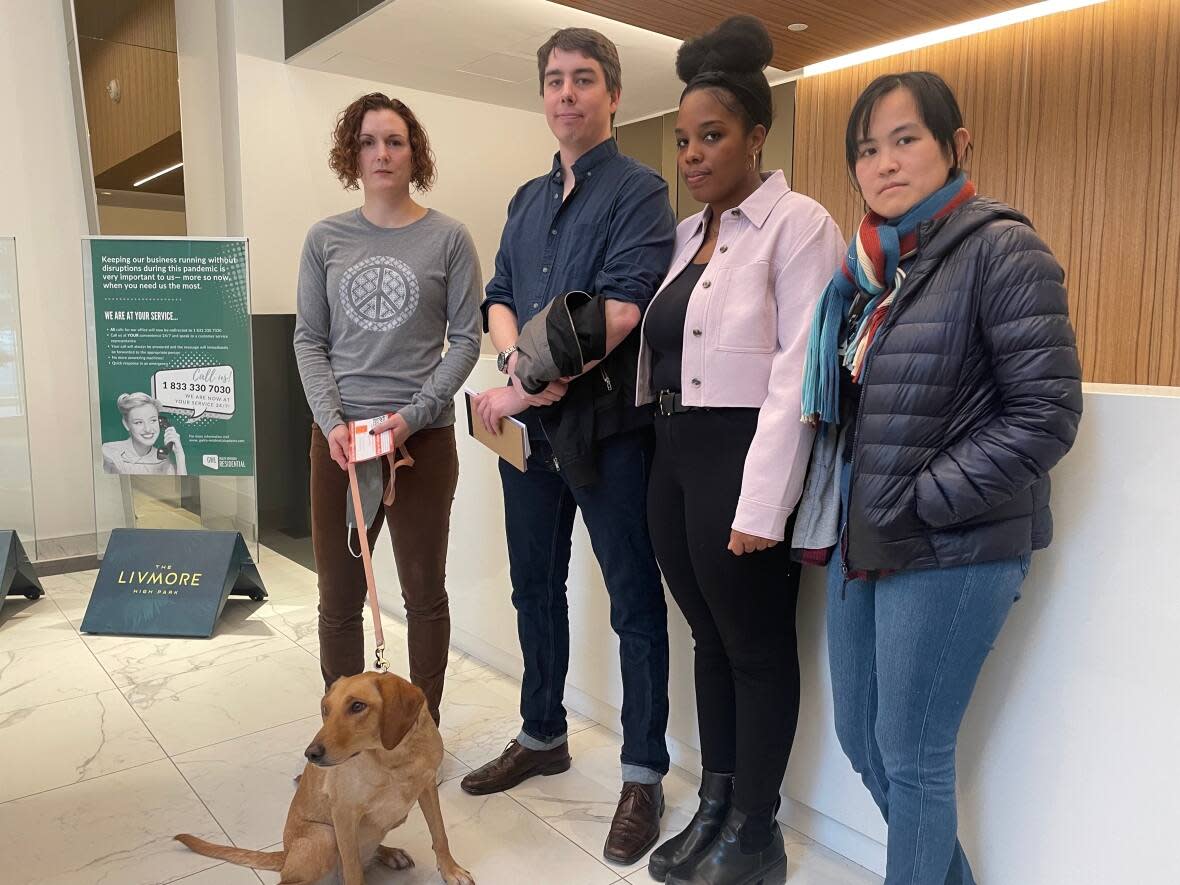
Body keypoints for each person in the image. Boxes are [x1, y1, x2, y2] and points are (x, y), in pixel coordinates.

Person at [794, 71, 1082, 885]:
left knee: (913, 754)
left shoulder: (1002, 248)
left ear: (956, 146)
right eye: (866, 150)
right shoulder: (874, 275)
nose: (883, 164)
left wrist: (928, 499)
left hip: (953, 544)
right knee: (860, 735)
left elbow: (1047, 413)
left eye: (905, 139)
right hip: (868, 534)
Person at [635, 17, 844, 885]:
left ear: (758, 135)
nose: (691, 154)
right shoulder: (686, 238)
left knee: (756, 648)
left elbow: (800, 376)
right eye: (683, 139)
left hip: (741, 458)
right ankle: (715, 804)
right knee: (708, 643)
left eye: (711, 136)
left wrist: (763, 506)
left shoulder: (799, 224)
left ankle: (757, 832)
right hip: (673, 453)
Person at [466, 27, 676, 866]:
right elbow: (501, 294)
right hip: (533, 437)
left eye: (584, 80)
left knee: (633, 603)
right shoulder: (523, 199)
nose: (566, 94)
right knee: (533, 590)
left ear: (614, 94)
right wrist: (521, 367)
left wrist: (520, 379)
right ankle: (542, 731)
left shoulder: (640, 192)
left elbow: (619, 311)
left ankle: (643, 772)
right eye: (554, 80)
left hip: (609, 432)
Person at [293, 92, 482, 725]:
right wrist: (332, 423)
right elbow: (309, 340)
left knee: (424, 592)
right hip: (341, 444)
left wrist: (417, 414)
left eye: (395, 141)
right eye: (369, 141)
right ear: (352, 153)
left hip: (420, 445)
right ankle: (342, 734)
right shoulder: (325, 239)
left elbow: (468, 339)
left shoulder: (449, 238)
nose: (382, 153)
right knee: (338, 600)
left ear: (414, 152)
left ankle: (418, 732)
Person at [101, 392, 187, 475]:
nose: (148, 429)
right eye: (139, 422)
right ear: (126, 424)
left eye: (153, 420)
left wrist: (180, 455)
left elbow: (181, 486)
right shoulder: (109, 452)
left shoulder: (163, 460)